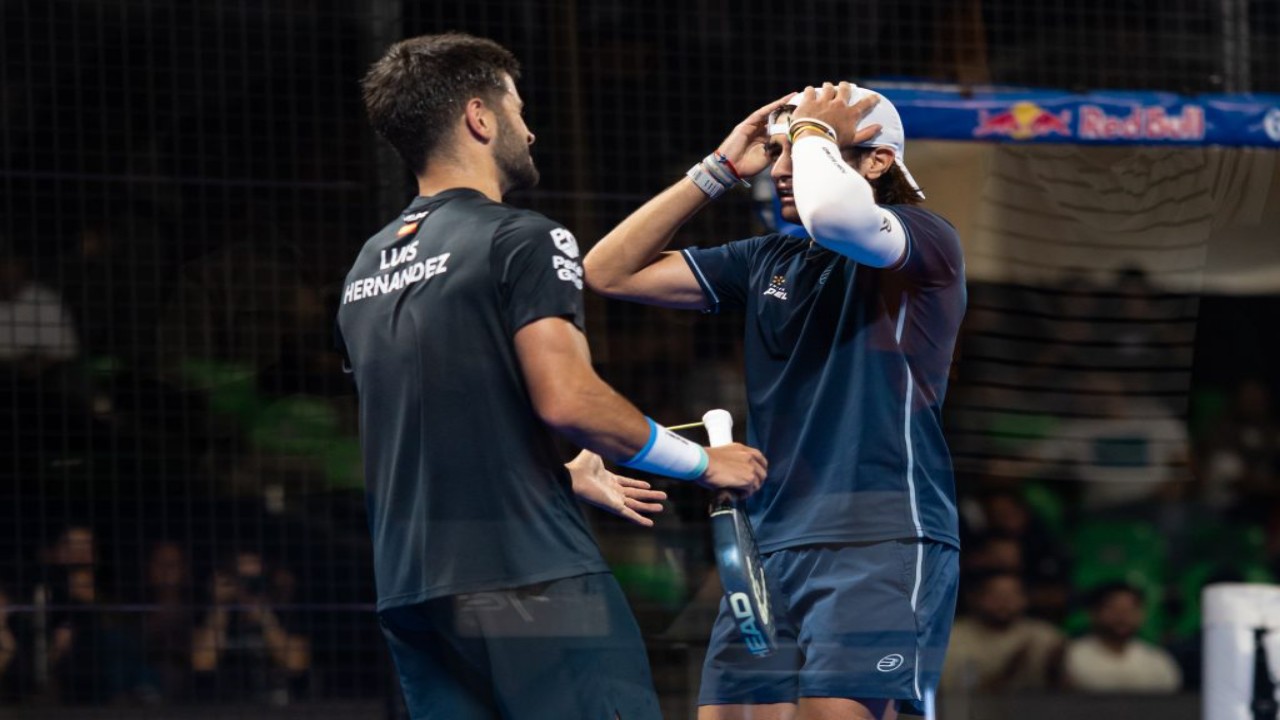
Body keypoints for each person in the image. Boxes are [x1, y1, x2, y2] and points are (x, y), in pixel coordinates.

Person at [338, 33, 767, 720]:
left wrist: (555, 478)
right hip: (530, 584)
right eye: (518, 109)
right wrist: (701, 463)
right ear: (480, 117)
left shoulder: (365, 269)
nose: (530, 130)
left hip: (416, 598)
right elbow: (571, 401)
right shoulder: (522, 238)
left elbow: (432, 429)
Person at [584, 82, 966, 719]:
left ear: (877, 162)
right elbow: (608, 271)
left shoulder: (924, 242)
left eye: (806, 148)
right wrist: (720, 169)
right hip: (768, 545)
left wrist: (813, 129)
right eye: (778, 150)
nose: (782, 169)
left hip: (878, 536)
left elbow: (837, 218)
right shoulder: (769, 259)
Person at [941, 570, 1065, 694]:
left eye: (1012, 595)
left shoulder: (1045, 636)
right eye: (996, 595)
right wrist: (1009, 671)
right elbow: (956, 693)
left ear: (1025, 599)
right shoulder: (953, 637)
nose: (1004, 602)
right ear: (975, 598)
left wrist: (1055, 670)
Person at [1062, 583, 1181, 692]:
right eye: (1114, 609)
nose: (1122, 617)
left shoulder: (1157, 660)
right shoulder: (1072, 656)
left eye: (1129, 610)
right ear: (1094, 613)